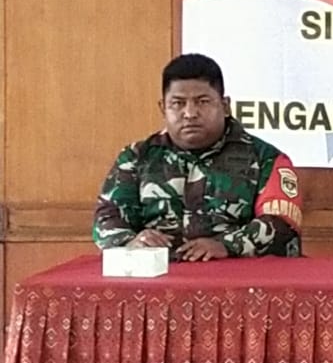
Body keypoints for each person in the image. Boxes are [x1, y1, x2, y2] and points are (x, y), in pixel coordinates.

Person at [92, 54, 302, 260]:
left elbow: (282, 225)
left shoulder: (266, 158)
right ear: (163, 108)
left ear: (225, 106)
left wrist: (228, 246)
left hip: (234, 274)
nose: (190, 113)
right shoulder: (136, 157)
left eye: (202, 102)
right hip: (159, 274)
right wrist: (132, 242)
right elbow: (107, 217)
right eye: (178, 103)